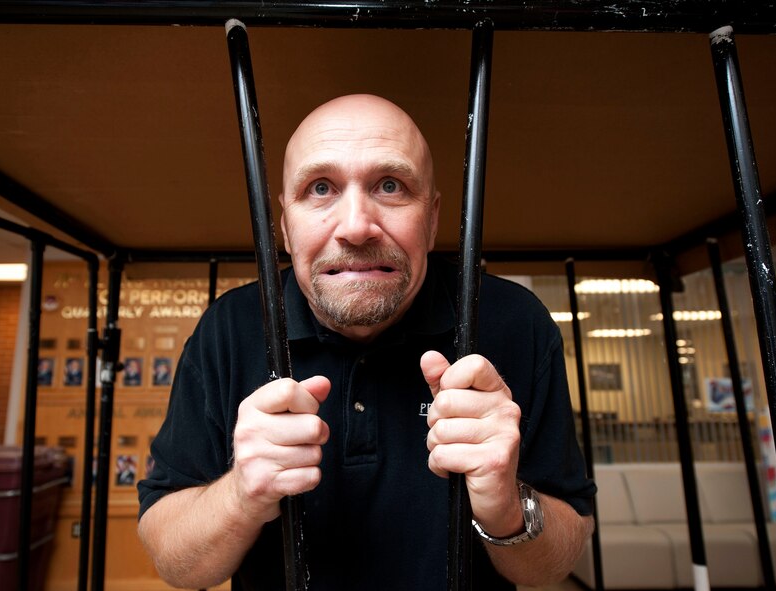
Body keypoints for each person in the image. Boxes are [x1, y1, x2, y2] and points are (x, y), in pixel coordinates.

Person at [137, 94, 595, 590]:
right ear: (285, 226)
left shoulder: (513, 322)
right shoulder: (228, 329)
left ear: (433, 218)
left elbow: (558, 561)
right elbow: (174, 564)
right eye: (320, 188)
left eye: (391, 186)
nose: (356, 227)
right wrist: (242, 494)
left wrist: (507, 506)